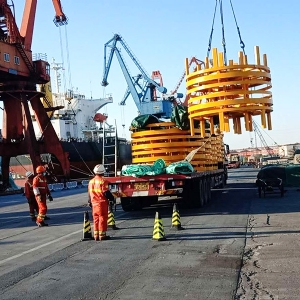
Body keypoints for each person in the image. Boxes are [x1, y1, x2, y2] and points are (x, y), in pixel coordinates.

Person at [88, 164, 115, 241]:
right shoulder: (103, 181)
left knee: (96, 219)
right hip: (101, 203)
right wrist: (112, 198)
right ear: (103, 172)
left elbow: (89, 194)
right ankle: (102, 235)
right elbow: (106, 193)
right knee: (102, 218)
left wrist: (90, 201)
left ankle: (96, 235)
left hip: (94, 203)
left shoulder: (91, 182)